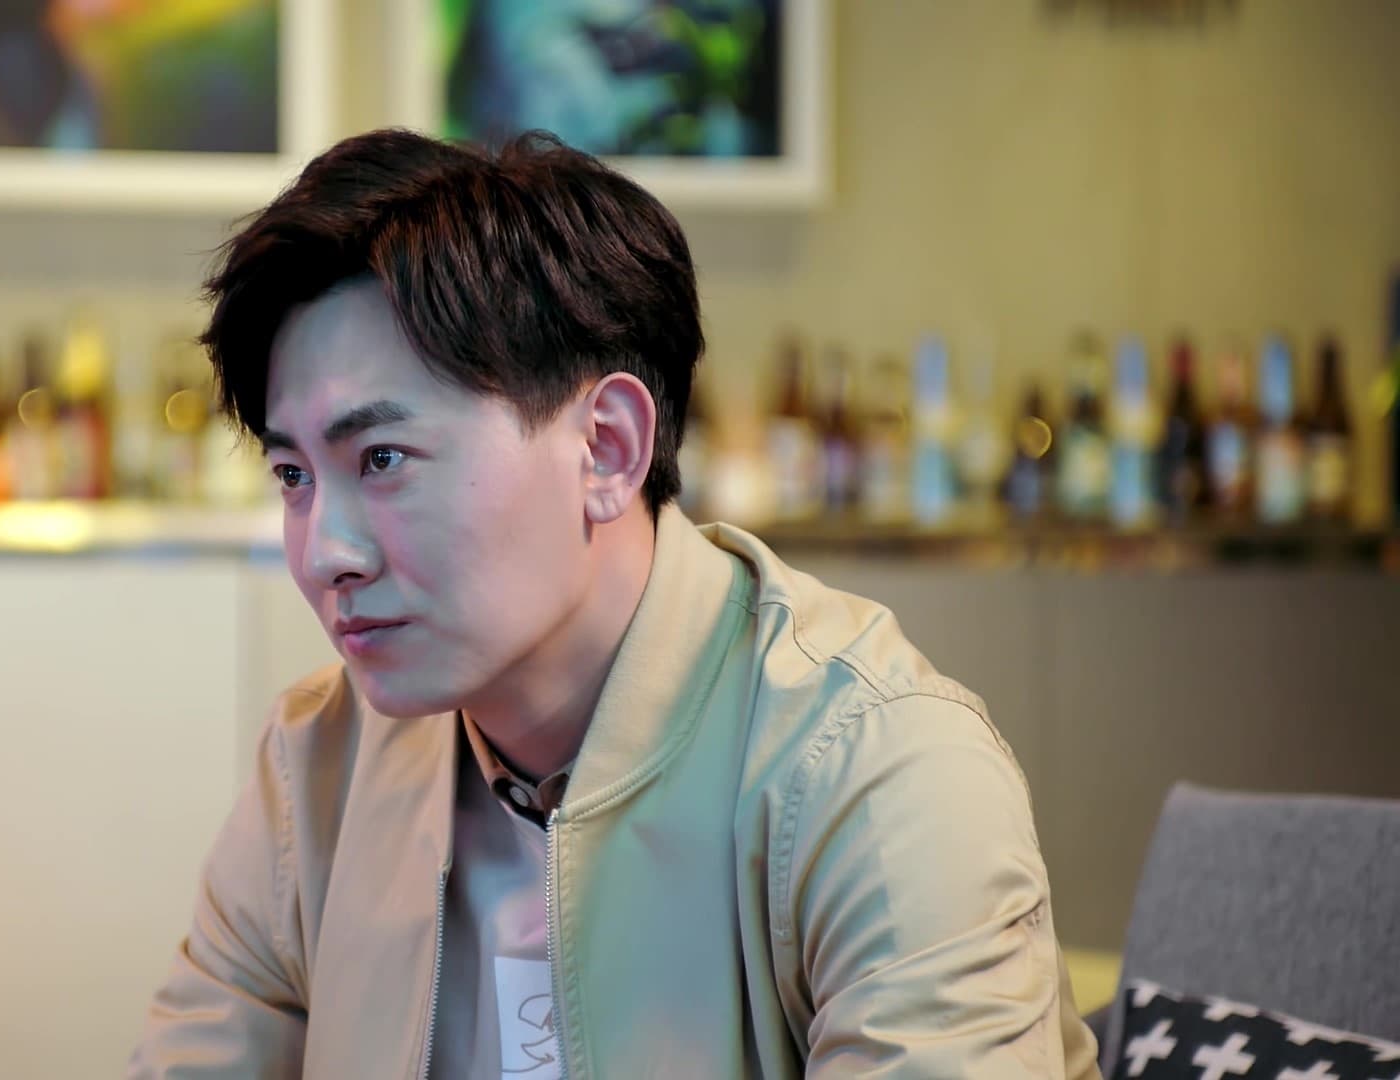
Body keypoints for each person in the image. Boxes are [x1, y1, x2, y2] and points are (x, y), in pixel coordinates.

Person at [128, 129, 1100, 1079]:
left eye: (382, 459)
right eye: (293, 476)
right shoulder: (318, 771)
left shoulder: (877, 773)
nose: (322, 554)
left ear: (605, 448)